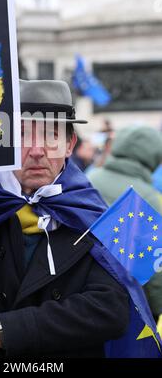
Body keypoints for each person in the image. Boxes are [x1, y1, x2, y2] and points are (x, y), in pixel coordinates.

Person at [0, 79, 136, 359]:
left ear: (69, 144)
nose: (37, 151)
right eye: (22, 135)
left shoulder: (96, 213)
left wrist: (5, 333)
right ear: (0, 142)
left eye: (50, 135)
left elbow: (111, 310)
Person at [88, 125, 162, 322]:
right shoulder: (151, 199)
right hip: (125, 303)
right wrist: (156, 311)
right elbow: (154, 266)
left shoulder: (89, 179)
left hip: (79, 296)